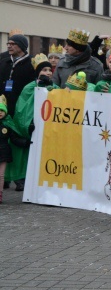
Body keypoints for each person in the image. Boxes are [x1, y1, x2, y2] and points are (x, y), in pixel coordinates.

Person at [6, 54, 59, 193]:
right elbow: (22, 109)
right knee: (26, 154)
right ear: (38, 72)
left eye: (49, 70)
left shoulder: (55, 87)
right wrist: (27, 125)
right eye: (44, 70)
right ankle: (22, 179)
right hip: (32, 127)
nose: (47, 72)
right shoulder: (29, 87)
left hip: (48, 128)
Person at [0, 95, 31, 203]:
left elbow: (14, 138)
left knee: (1, 175)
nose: (0, 112)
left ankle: (0, 194)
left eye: (2, 110)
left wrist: (25, 142)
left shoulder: (8, 124)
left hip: (3, 153)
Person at [0, 32, 37, 117]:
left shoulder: (32, 63)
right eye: (8, 43)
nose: (9, 46)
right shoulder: (3, 62)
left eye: (12, 44)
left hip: (22, 106)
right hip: (3, 106)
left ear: (22, 45)